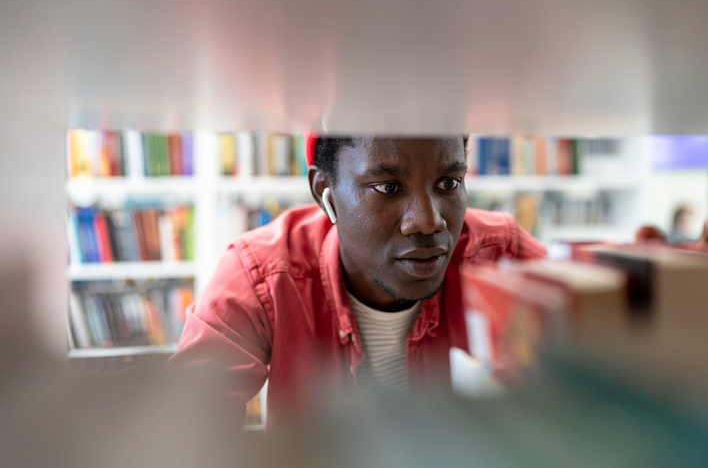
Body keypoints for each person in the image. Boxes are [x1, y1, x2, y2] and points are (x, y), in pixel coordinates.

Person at [170, 135, 546, 423]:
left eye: (448, 183)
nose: (429, 221)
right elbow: (184, 424)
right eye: (388, 187)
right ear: (324, 193)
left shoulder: (500, 255)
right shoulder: (263, 273)